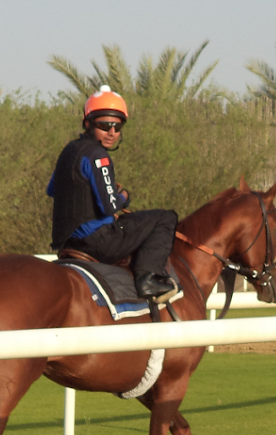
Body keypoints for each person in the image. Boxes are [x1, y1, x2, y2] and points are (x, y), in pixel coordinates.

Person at [47, 85, 178, 300]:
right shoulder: (99, 156)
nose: (112, 132)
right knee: (166, 217)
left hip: (68, 243)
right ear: (88, 123)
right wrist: (124, 196)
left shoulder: (70, 150)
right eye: (105, 125)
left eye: (117, 126)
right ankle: (148, 279)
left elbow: (53, 190)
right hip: (99, 243)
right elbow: (110, 206)